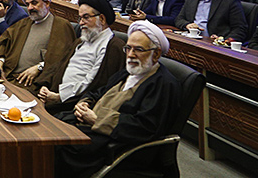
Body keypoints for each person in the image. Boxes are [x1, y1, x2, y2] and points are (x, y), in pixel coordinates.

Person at [54, 21, 180, 178]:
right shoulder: (127, 72)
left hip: (118, 145)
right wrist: (84, 103)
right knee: (52, 127)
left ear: (156, 54)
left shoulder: (163, 84)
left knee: (58, 146)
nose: (131, 55)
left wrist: (97, 120)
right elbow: (99, 92)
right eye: (128, 48)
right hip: (93, 128)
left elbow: (144, 127)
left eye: (138, 49)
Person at [36, 0, 126, 113]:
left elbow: (94, 83)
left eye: (86, 17)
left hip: (73, 104)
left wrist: (59, 97)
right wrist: (45, 86)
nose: (81, 23)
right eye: (80, 18)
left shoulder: (114, 46)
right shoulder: (81, 41)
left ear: (102, 19)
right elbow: (59, 65)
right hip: (53, 95)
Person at [0, 0, 76, 91]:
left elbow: (63, 58)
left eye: (34, 3)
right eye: (27, 4)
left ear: (47, 3)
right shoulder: (24, 23)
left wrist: (39, 67)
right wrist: (0, 61)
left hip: (35, 83)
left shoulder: (61, 25)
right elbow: (4, 42)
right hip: (10, 77)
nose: (30, 8)